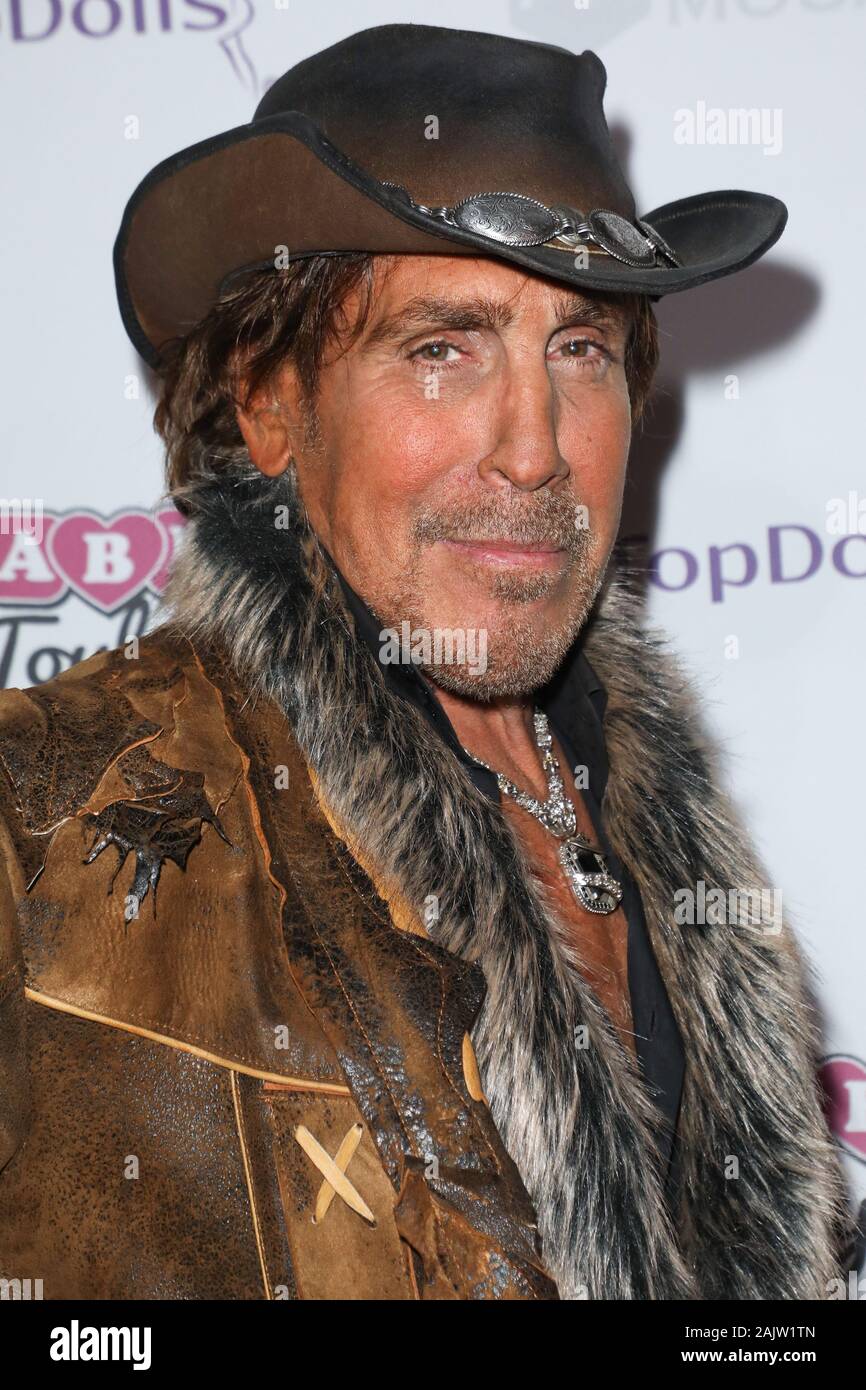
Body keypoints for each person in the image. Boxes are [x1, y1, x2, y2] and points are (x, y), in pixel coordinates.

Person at [0, 22, 851, 1300]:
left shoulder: (665, 830)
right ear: (268, 401)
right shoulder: (41, 818)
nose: (534, 450)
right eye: (440, 349)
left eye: (579, 349)